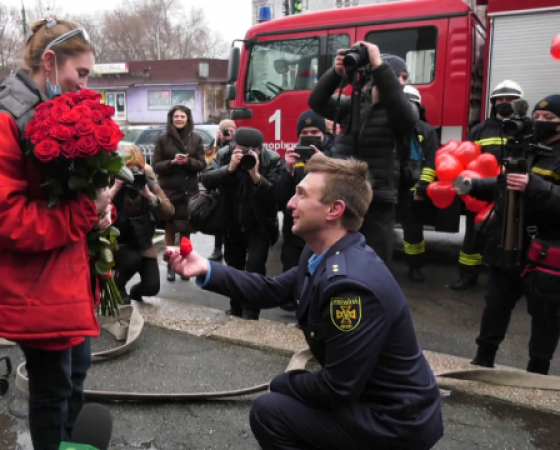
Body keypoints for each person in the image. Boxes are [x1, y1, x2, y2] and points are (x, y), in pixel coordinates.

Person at [169, 154, 443, 450]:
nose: (289, 203)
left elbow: (337, 388)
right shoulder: (320, 254)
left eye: (301, 194)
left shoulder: (349, 287)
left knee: (270, 412)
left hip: (394, 421)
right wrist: (205, 268)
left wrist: (282, 383)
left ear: (334, 210)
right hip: (372, 400)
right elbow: (270, 290)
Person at [0, 17, 110, 450]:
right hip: (29, 284)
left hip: (53, 277)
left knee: (73, 373)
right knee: (53, 390)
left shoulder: (44, 109)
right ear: (49, 61)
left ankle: (67, 442)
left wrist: (96, 212)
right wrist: (84, 212)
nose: (84, 85)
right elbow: (7, 220)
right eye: (80, 74)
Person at [459, 95, 560, 374]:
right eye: (537, 118)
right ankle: (483, 358)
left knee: (545, 316)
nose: (541, 123)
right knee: (496, 305)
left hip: (544, 252)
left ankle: (537, 371)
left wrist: (535, 186)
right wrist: (471, 185)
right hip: (508, 244)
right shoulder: (526, 150)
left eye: (549, 119)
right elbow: (504, 184)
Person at [308, 42, 418, 266]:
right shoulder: (354, 105)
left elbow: (405, 116)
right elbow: (316, 102)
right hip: (344, 193)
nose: (401, 82)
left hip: (378, 196)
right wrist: (336, 74)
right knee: (339, 256)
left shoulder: (402, 109)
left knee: (374, 261)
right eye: (399, 76)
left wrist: (379, 64)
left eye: (405, 78)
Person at [200, 127, 282, 320]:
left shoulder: (273, 159)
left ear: (260, 148)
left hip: (260, 224)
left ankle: (252, 312)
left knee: (255, 268)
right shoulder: (225, 154)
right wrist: (229, 168)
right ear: (234, 145)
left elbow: (276, 196)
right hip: (232, 222)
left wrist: (256, 175)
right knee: (234, 267)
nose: (246, 153)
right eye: (241, 149)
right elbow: (206, 180)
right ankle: (236, 309)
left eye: (251, 150)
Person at [450, 80, 525, 291]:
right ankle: (468, 276)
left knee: (512, 235)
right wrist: (464, 186)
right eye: (500, 99)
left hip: (513, 191)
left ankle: (511, 279)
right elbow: (464, 158)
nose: (504, 102)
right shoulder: (480, 129)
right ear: (493, 102)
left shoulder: (526, 129)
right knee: (474, 235)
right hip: (481, 191)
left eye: (510, 99)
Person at [110, 147, 175, 303]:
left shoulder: (148, 183)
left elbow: (169, 212)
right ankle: (116, 286)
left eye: (136, 169)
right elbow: (95, 208)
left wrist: (149, 195)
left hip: (142, 242)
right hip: (118, 243)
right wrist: (116, 187)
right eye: (128, 170)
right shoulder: (111, 181)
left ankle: (134, 291)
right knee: (133, 260)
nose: (132, 175)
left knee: (152, 287)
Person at [152, 105, 207, 282]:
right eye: (176, 117)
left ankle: (184, 263)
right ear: (171, 119)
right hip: (168, 191)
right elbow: (156, 166)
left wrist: (188, 162)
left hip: (188, 191)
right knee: (170, 228)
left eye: (182, 117)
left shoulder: (196, 139)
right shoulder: (162, 139)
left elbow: (202, 164)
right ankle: (170, 264)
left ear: (188, 119)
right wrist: (172, 163)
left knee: (185, 230)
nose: (179, 119)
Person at [276, 111, 333, 274]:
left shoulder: (336, 154)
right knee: (292, 278)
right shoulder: (293, 155)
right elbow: (279, 199)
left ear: (323, 133)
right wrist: (288, 172)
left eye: (315, 132)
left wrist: (325, 164)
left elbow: (342, 191)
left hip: (324, 233)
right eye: (304, 133)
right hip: (295, 234)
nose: (309, 136)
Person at [400, 85, 440, 282]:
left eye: (411, 104)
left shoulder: (426, 130)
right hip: (390, 187)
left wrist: (422, 187)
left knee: (413, 232)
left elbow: (432, 161)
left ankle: (415, 267)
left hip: (412, 190)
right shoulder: (389, 127)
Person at [206, 119, 237, 262]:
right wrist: (217, 141)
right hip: (218, 189)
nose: (228, 132)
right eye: (225, 130)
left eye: (231, 130)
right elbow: (208, 161)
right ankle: (217, 249)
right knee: (219, 221)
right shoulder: (216, 145)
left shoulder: (239, 143)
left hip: (233, 189)